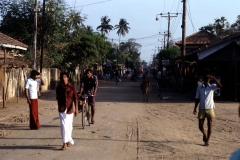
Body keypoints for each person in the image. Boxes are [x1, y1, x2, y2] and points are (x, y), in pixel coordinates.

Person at [193, 74, 222, 146]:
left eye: (208, 79)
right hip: (202, 108)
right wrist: (195, 108)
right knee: (200, 126)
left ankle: (207, 141)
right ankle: (204, 133)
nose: (207, 80)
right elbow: (197, 98)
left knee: (210, 125)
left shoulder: (212, 87)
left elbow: (220, 86)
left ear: (209, 80)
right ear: (203, 80)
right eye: (205, 79)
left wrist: (214, 78)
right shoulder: (199, 88)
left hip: (210, 108)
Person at [56, 72, 78, 150]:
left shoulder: (72, 87)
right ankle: (64, 143)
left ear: (67, 78)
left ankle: (68, 140)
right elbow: (58, 98)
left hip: (70, 109)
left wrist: (76, 110)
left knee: (69, 126)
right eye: (62, 77)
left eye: (65, 77)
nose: (63, 78)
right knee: (63, 125)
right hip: (62, 109)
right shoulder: (58, 88)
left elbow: (75, 98)